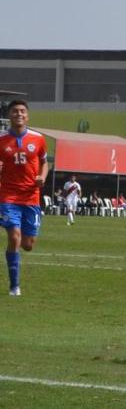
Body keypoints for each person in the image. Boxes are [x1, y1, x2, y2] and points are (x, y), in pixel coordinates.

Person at [0, 100, 48, 296]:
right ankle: (14, 286)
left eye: (22, 111)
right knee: (14, 237)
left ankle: (15, 283)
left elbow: (45, 163)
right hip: (8, 196)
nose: (18, 114)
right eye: (14, 111)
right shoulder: (1, 139)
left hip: (31, 197)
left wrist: (42, 177)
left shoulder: (38, 139)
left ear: (27, 116)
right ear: (9, 115)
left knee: (28, 245)